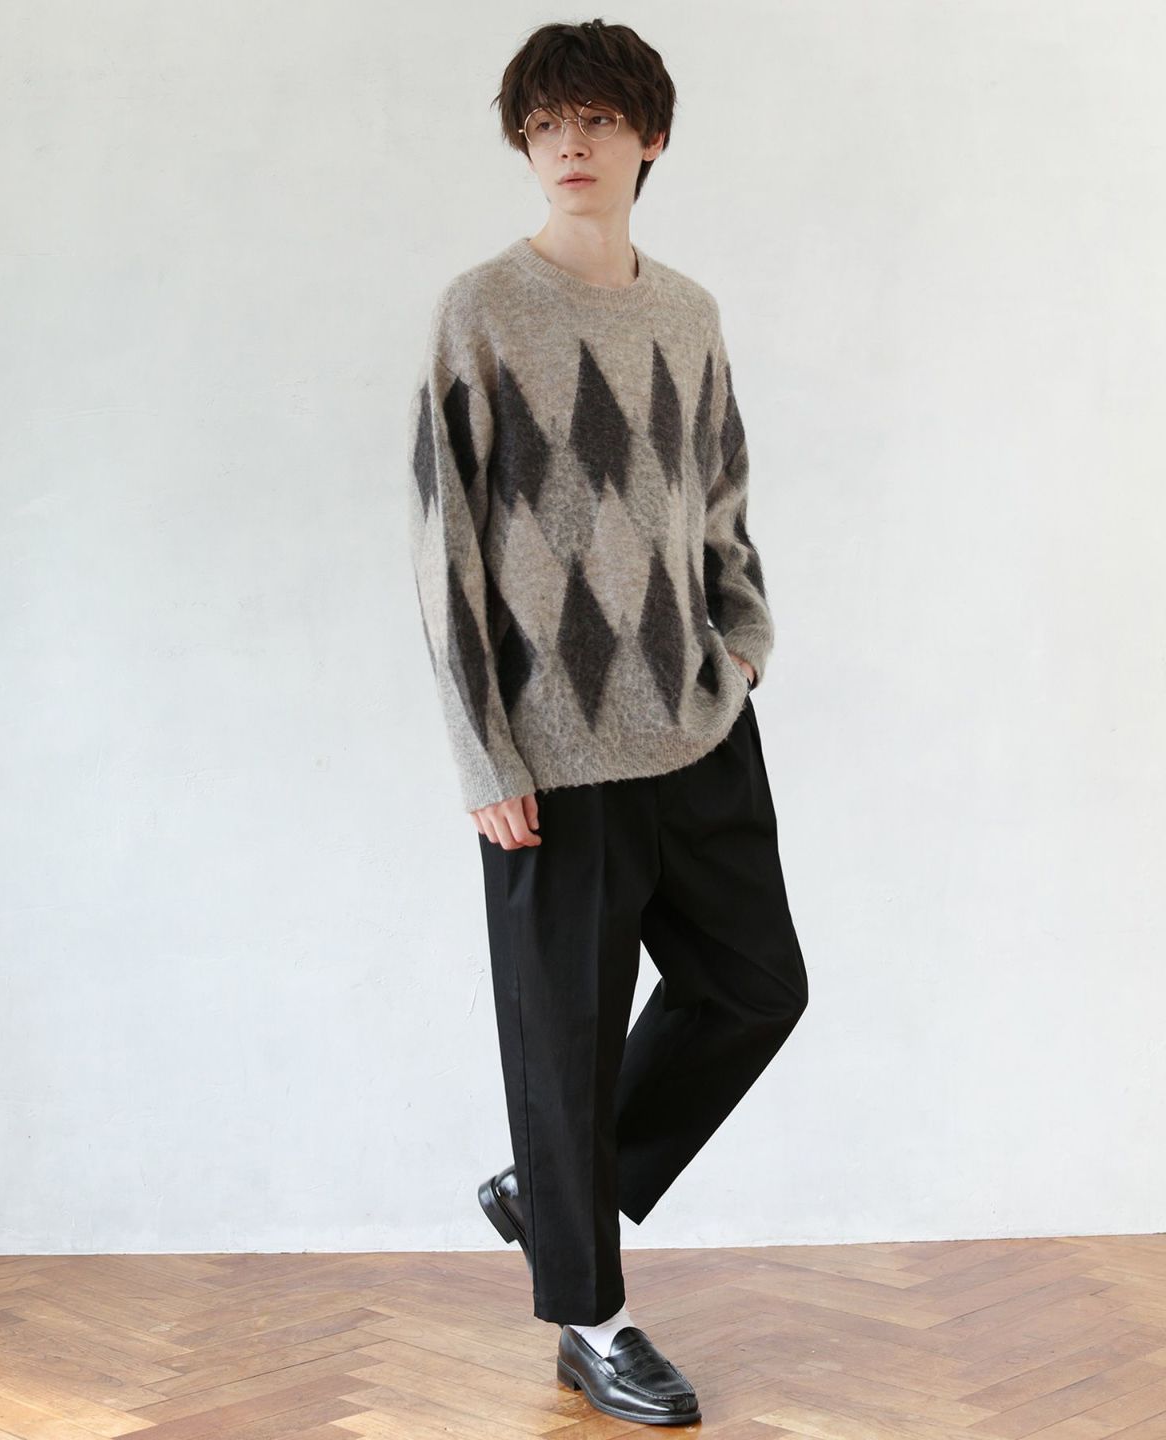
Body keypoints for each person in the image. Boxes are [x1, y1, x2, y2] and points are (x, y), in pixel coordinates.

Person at [406, 18, 809, 1427]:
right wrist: (482, 750)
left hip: (696, 723)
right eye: (545, 125)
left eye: (597, 121)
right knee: (564, 1043)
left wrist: (743, 639)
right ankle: (591, 1314)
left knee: (756, 987)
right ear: (525, 143)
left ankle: (553, 1193)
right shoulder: (481, 311)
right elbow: (445, 545)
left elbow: (720, 495)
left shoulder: (687, 313)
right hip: (555, 752)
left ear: (652, 138)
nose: (569, 146)